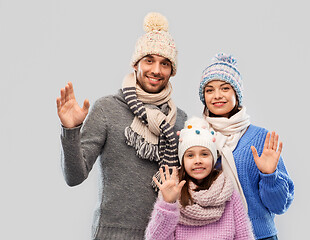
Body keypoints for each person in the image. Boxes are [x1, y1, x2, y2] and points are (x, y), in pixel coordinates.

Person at [56, 12, 187, 239]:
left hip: (165, 234)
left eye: (165, 63)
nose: (156, 70)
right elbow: (74, 177)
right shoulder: (108, 108)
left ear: (171, 71)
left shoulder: (181, 120)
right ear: (136, 64)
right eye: (149, 60)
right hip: (112, 234)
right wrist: (71, 131)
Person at [198, 53, 295, 240]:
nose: (217, 95)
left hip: (258, 236)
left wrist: (269, 176)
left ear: (236, 93)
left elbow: (280, 205)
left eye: (225, 88)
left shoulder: (260, 139)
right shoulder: (197, 138)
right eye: (209, 90)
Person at [145, 117, 255, 240]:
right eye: (190, 155)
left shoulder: (228, 192)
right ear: (182, 160)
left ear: (213, 159)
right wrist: (168, 204)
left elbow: (245, 236)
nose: (198, 161)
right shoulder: (173, 191)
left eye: (204, 154)